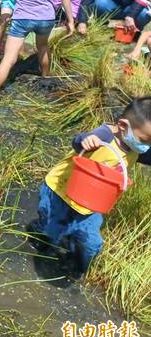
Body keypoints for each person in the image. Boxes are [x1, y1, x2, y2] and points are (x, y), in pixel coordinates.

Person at [27, 97, 151, 279]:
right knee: (49, 234)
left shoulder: (136, 147)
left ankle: (73, 269)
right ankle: (37, 235)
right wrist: (87, 140)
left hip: (90, 203)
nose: (146, 146)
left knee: (91, 243)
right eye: (144, 140)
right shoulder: (105, 135)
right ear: (123, 126)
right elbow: (79, 141)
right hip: (60, 192)